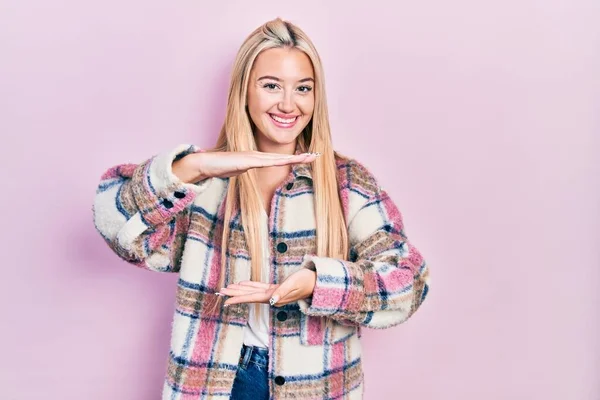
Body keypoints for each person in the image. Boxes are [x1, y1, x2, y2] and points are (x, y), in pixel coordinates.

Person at [93, 17, 430, 400]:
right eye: (271, 86)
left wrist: (317, 284)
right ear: (244, 92)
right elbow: (116, 224)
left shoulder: (346, 183)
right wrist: (195, 166)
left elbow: (409, 283)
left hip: (316, 385)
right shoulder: (203, 185)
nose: (288, 104)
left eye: (303, 88)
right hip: (218, 382)